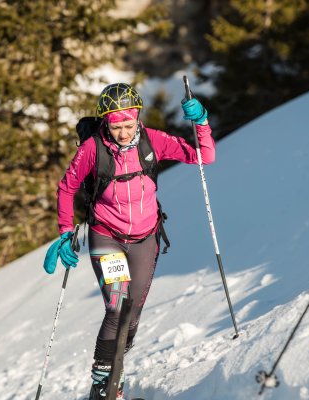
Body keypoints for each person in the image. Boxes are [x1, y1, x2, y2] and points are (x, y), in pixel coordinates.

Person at [44, 82, 215, 399]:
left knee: (132, 313)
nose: (123, 133)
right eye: (115, 126)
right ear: (105, 123)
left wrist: (201, 121)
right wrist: (66, 232)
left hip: (145, 239)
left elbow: (204, 156)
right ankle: (103, 386)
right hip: (107, 236)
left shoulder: (154, 141)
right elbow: (66, 188)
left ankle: (115, 374)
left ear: (137, 118)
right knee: (117, 306)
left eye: (129, 125)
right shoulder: (92, 149)